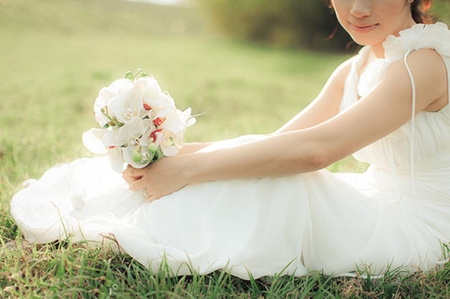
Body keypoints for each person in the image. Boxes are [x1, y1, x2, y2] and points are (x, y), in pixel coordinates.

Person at [10, 0, 450, 279]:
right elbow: (279, 142)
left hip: (422, 227)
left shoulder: (424, 65)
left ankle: (156, 230)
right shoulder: (353, 69)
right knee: (262, 173)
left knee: (289, 186)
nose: (357, 8)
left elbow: (318, 151)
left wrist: (187, 170)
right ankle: (147, 215)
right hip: (376, 197)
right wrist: (170, 153)